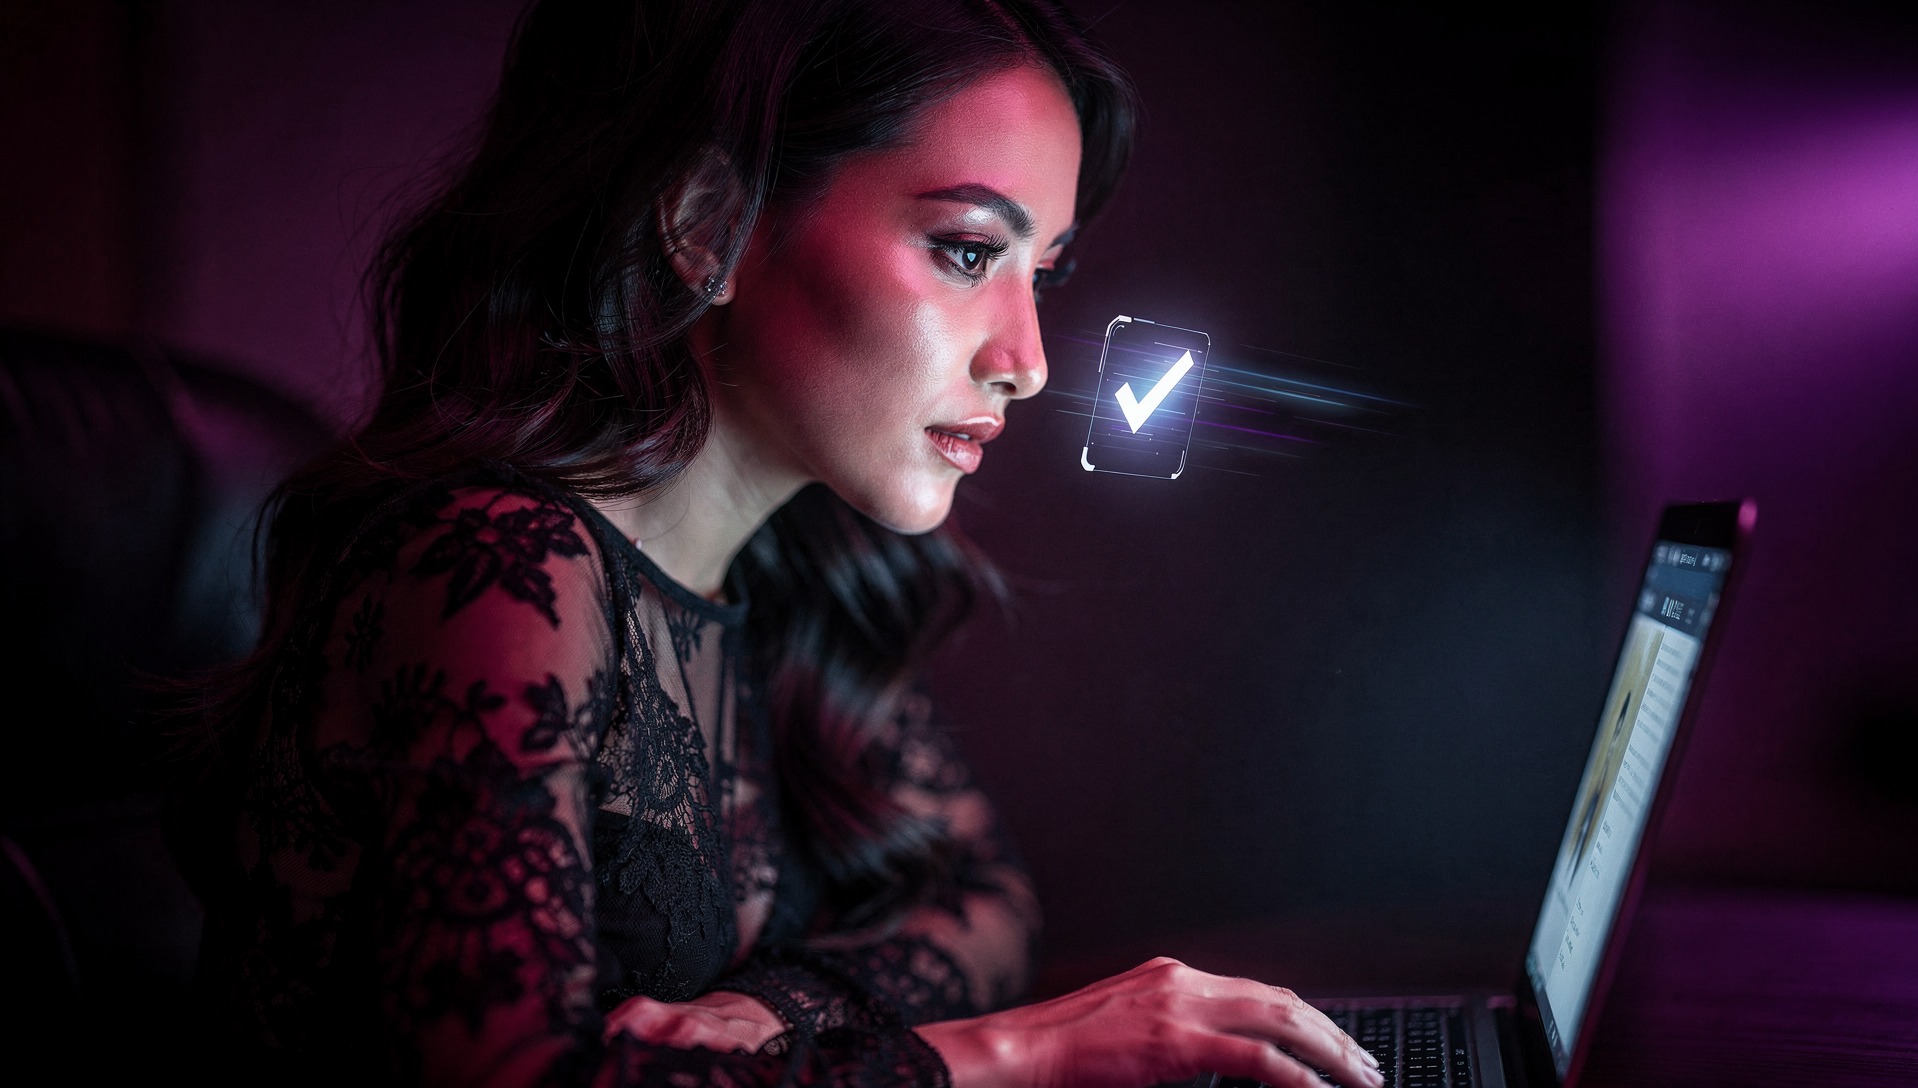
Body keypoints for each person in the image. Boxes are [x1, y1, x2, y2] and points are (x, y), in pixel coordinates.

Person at [171, 1, 1387, 1085]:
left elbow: (980, 904)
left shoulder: (782, 570)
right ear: (708, 226)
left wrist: (773, 1015)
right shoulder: (491, 570)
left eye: (1041, 273)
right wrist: (1008, 1055)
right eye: (968, 250)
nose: (1025, 360)